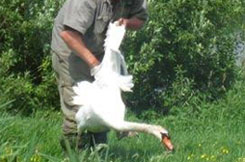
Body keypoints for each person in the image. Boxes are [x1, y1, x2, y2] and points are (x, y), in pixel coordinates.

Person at [51, 0, 148, 151]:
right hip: (70, 51)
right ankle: (75, 155)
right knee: (78, 108)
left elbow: (140, 20)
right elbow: (68, 34)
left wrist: (126, 23)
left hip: (101, 52)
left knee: (105, 104)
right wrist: (95, 65)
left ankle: (99, 154)